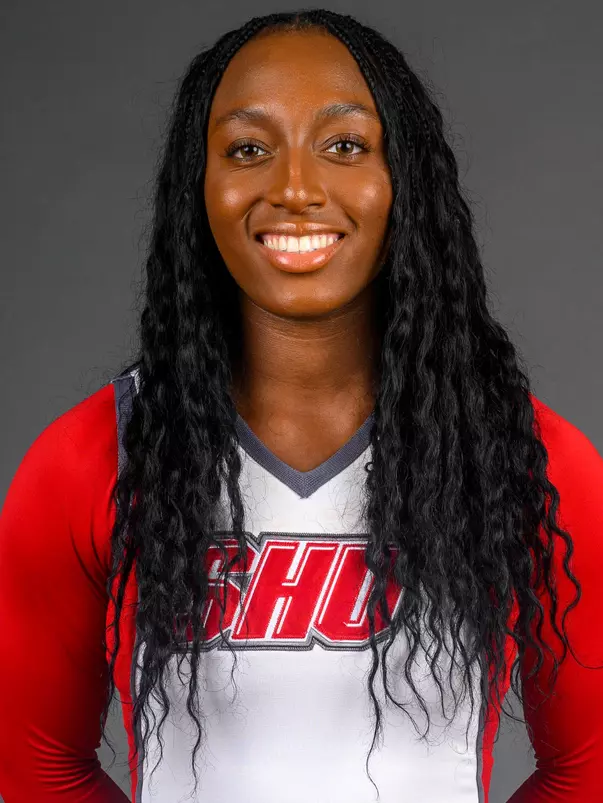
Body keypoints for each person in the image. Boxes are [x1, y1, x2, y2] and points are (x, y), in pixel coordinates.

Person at [1, 8, 602, 803]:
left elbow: (587, 768)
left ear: (404, 180)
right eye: (248, 149)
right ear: (200, 186)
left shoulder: (529, 460)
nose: (292, 187)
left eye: (344, 145)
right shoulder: (92, 458)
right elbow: (33, 767)